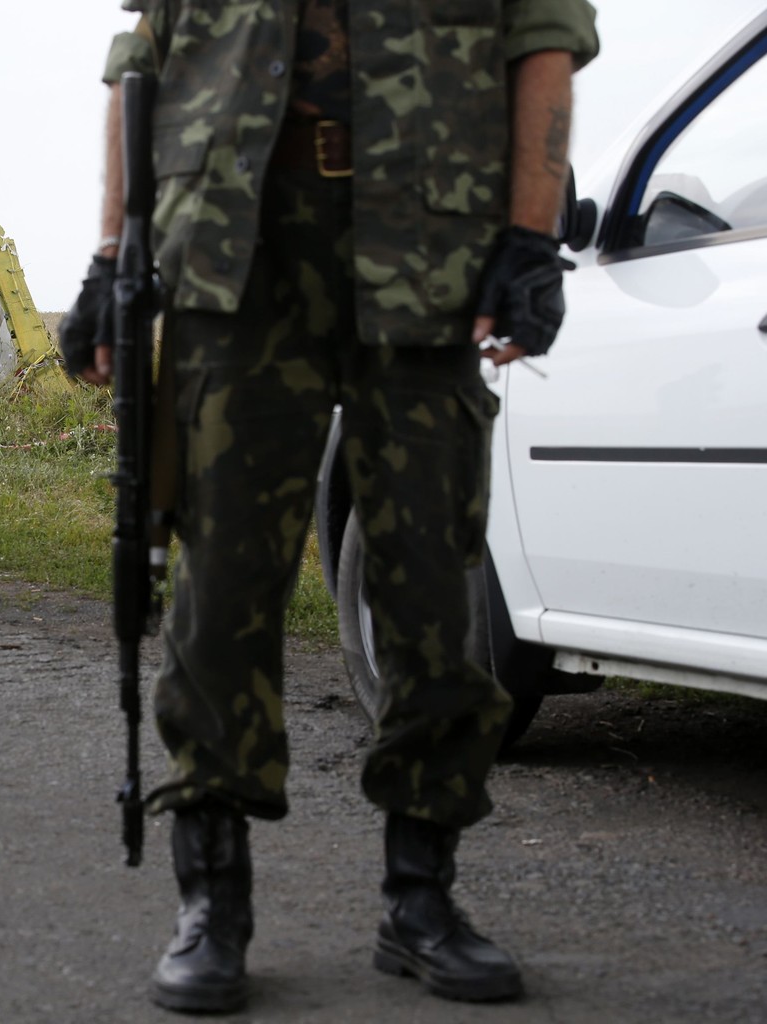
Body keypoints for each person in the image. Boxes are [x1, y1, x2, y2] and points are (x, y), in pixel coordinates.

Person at [62, 1, 599, 1013]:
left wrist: (531, 241)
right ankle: (212, 899)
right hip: (235, 252)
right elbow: (141, 67)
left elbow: (544, 44)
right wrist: (107, 256)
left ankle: (421, 896)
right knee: (217, 591)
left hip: (429, 250)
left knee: (434, 583)